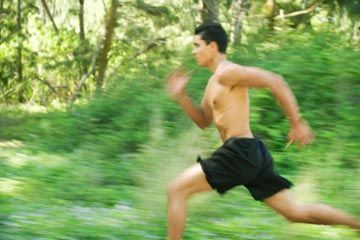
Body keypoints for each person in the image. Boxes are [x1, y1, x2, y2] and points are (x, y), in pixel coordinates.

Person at [165, 21, 360, 240]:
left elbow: (274, 81)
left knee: (176, 190)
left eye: (197, 45)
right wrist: (182, 97)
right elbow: (203, 121)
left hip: (239, 151)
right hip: (250, 153)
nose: (193, 51)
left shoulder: (228, 72)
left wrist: (297, 122)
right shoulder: (213, 83)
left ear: (212, 47)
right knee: (294, 212)